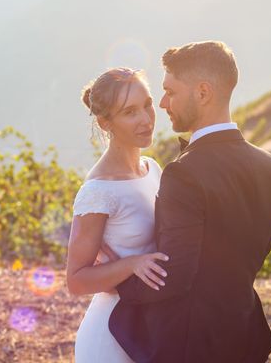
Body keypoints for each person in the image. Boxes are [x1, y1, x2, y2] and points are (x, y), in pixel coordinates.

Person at [106, 41, 271, 362]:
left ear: (202, 93)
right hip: (243, 332)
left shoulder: (183, 173)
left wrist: (116, 281)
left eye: (170, 92)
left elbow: (172, 276)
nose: (162, 103)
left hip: (191, 344)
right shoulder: (269, 165)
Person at [66, 67, 170, 363]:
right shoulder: (98, 191)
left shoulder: (152, 168)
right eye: (130, 112)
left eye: (147, 104)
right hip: (111, 337)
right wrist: (132, 264)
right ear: (105, 122)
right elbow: (76, 280)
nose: (146, 119)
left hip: (150, 327)